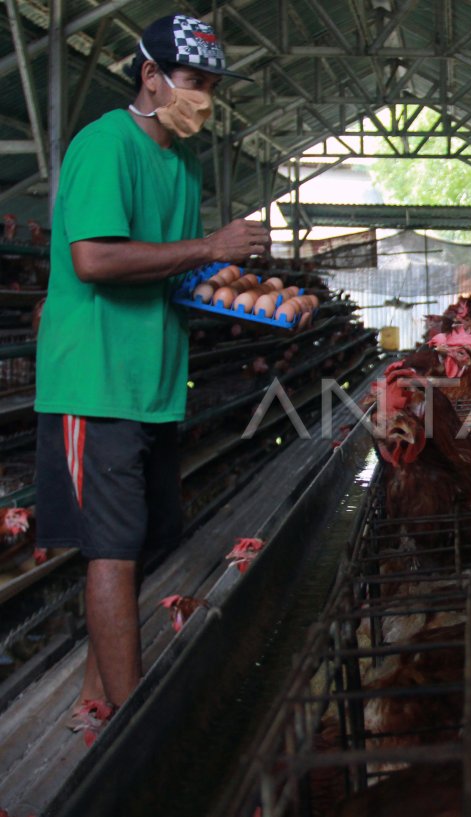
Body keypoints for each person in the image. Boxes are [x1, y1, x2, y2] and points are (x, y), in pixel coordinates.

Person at [34, 13, 269, 746]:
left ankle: (93, 697)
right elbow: (95, 260)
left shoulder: (182, 163)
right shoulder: (105, 145)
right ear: (150, 76)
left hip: (153, 380)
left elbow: (171, 268)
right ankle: (139, 734)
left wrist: (229, 288)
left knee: (136, 542)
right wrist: (210, 246)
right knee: (111, 549)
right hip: (97, 378)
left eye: (212, 86)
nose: (205, 99)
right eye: (196, 82)